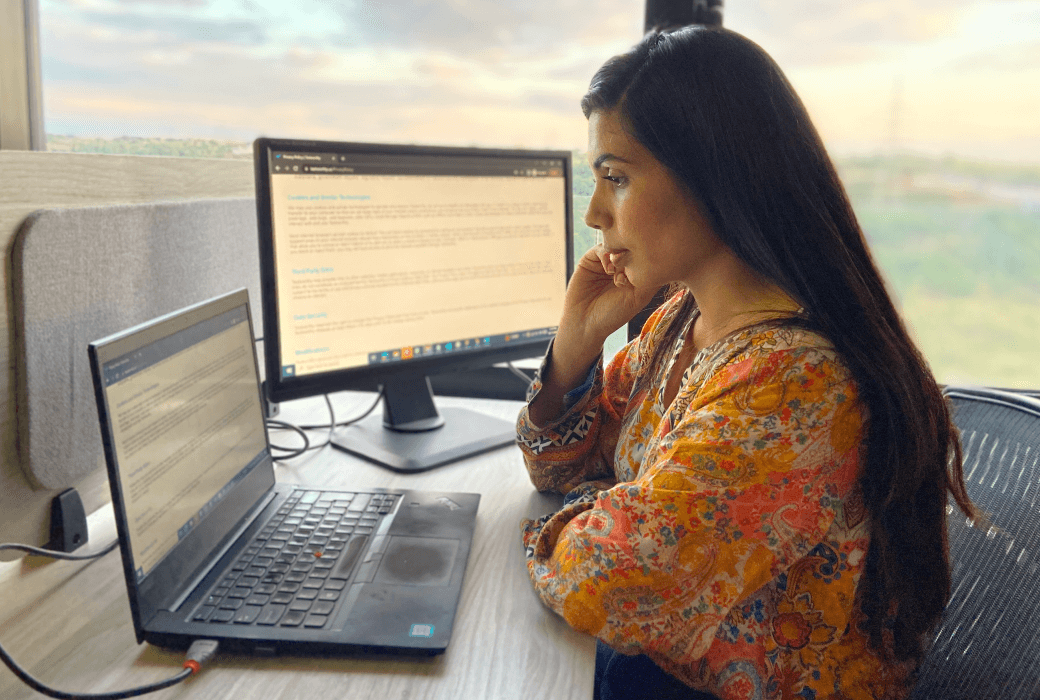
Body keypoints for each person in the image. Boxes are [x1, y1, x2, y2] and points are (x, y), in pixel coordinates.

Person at [515, 25, 976, 700]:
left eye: (615, 178)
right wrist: (574, 347)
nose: (592, 214)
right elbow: (561, 464)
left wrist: (597, 516)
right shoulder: (683, 319)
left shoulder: (795, 383)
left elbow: (605, 579)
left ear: (714, 176)